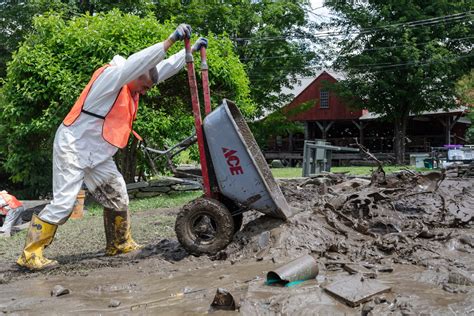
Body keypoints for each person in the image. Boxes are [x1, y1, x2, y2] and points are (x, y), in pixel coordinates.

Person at [17, 24, 208, 270]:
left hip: (97, 152)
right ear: (136, 75)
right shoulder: (112, 76)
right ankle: (30, 254)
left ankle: (119, 243)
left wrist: (188, 51)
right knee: (64, 203)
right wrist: (170, 40)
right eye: (145, 86)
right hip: (73, 147)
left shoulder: (132, 80)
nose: (146, 92)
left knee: (118, 194)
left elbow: (160, 68)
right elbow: (141, 62)